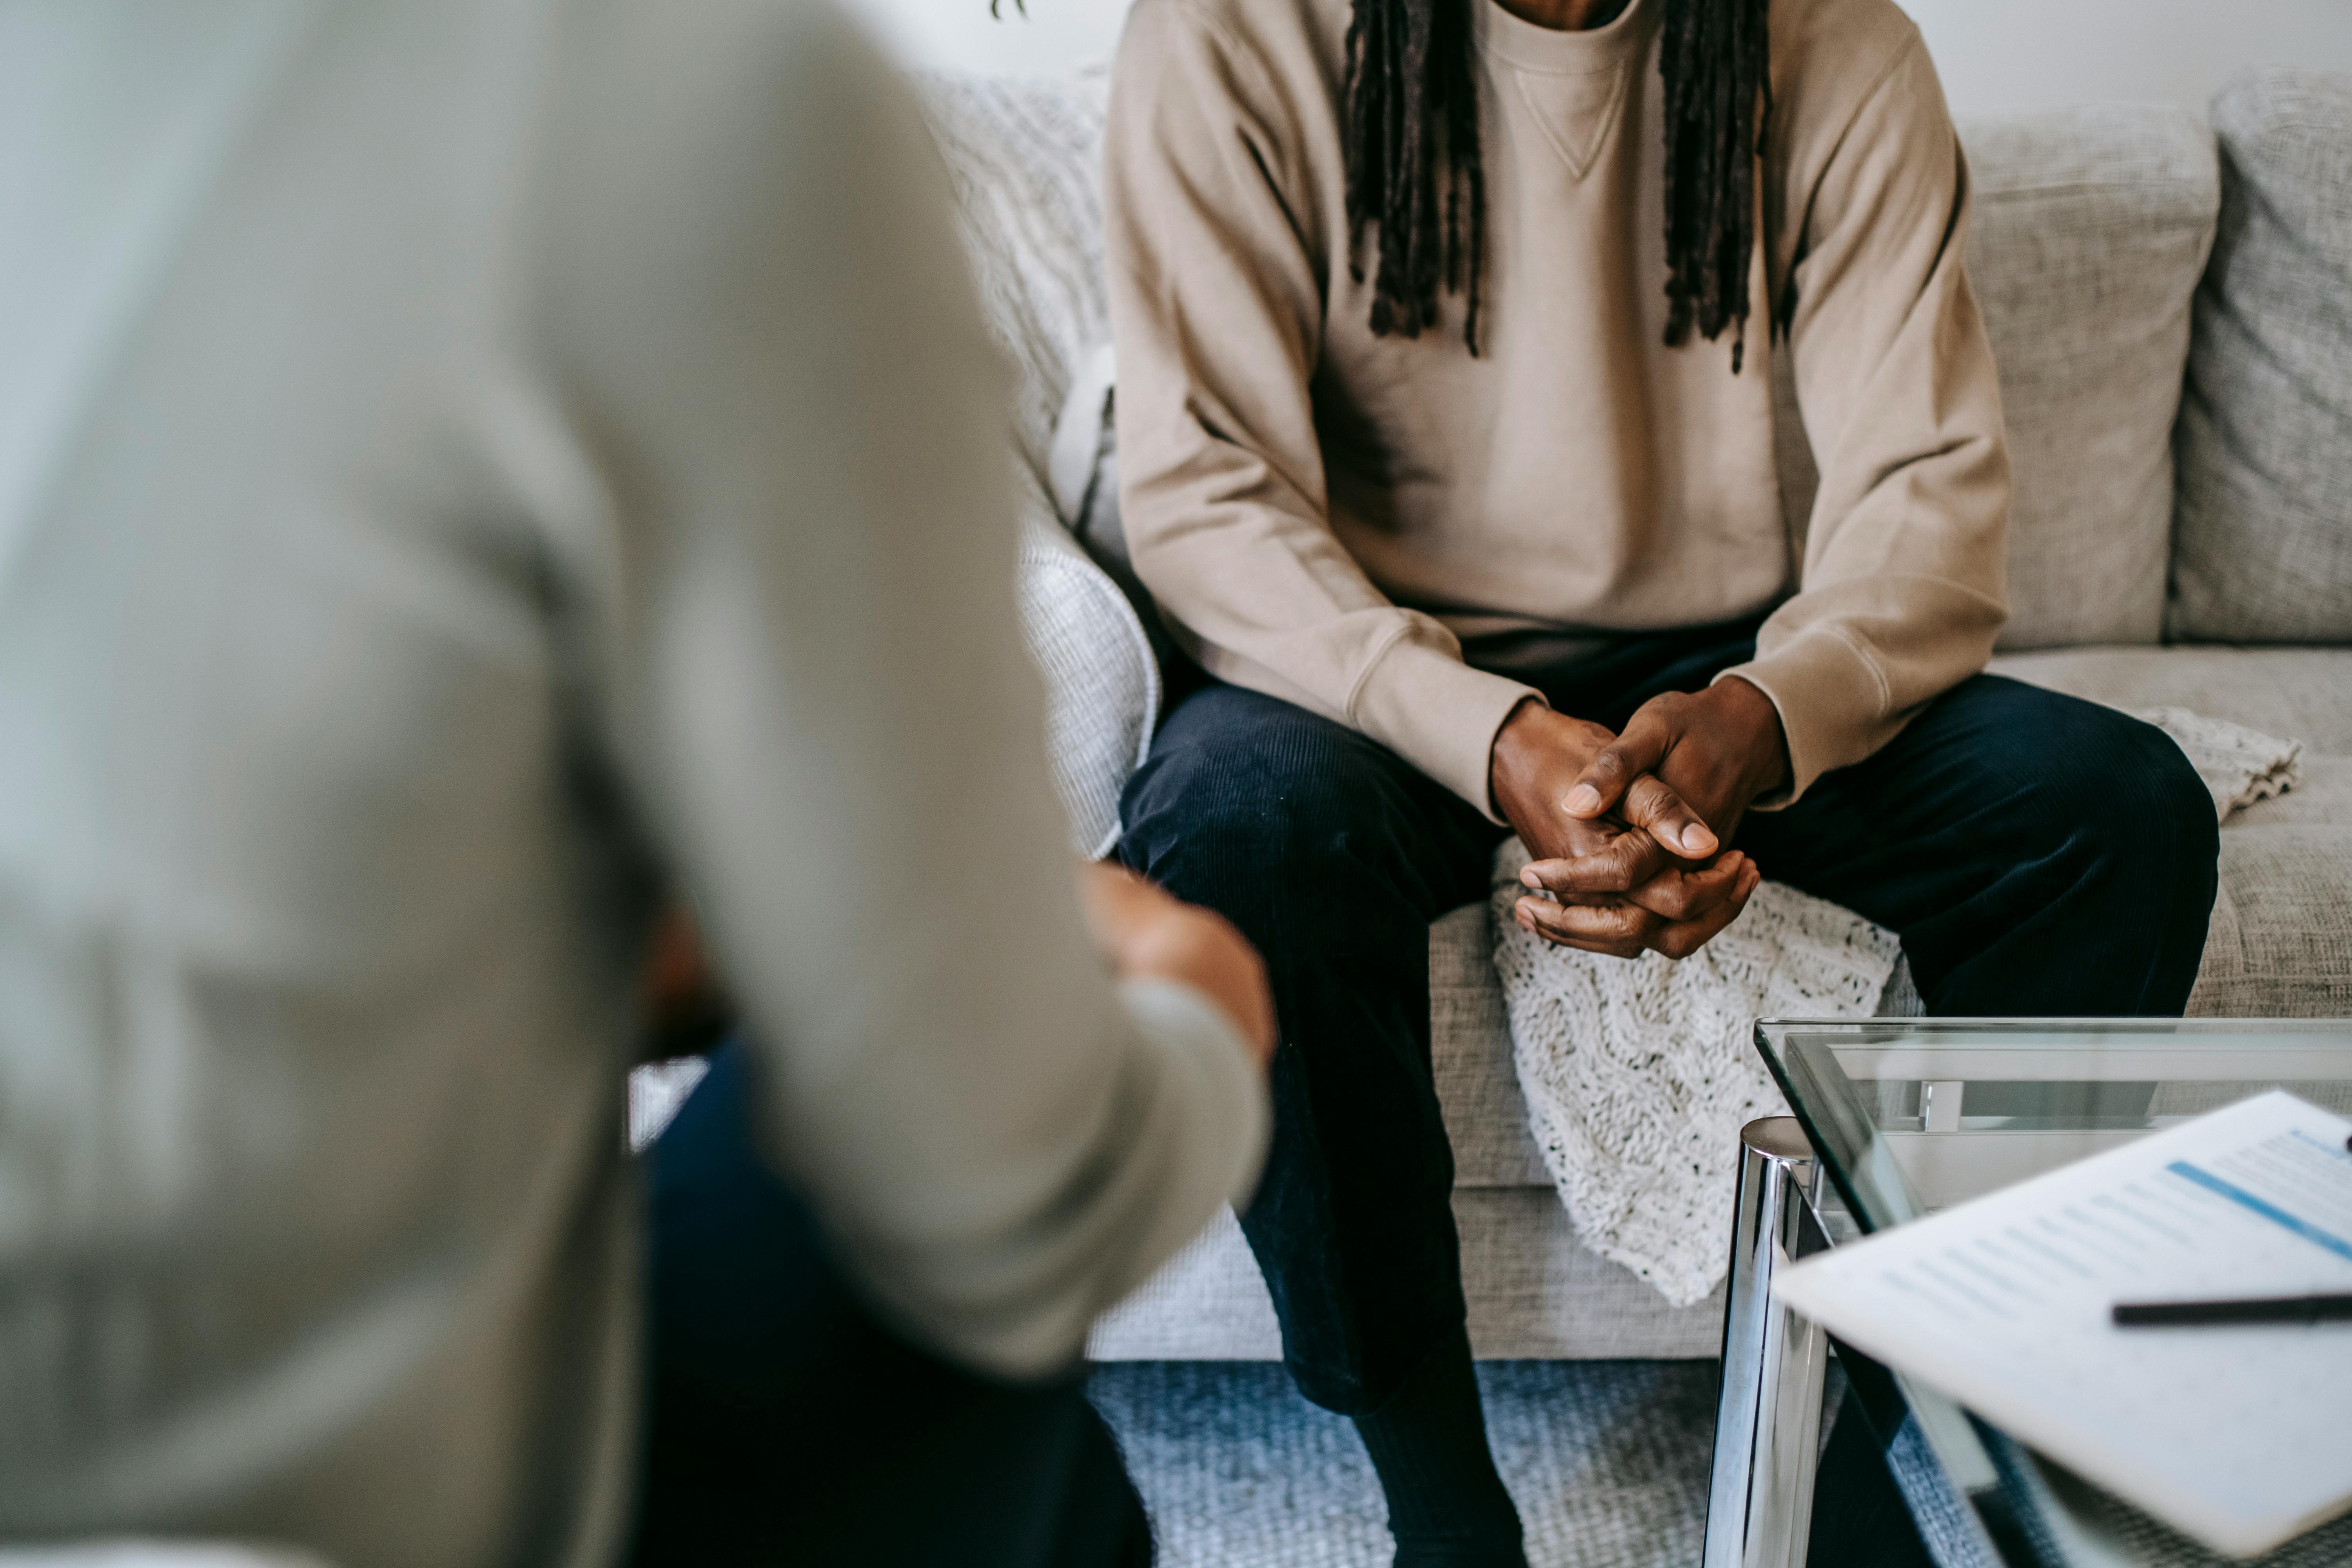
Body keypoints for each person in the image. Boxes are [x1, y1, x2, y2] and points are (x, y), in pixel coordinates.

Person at [0, 3, 1273, 1566]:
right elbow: (1007, 1202)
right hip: (306, 1506)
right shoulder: (687, 102)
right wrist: (1199, 1005)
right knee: (958, 1319)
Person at [1101, 0, 2221, 1560]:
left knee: (2123, 816)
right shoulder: (1234, 33)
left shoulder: (1837, 47)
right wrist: (1488, 735)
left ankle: (1843, 1440)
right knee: (1236, 843)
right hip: (1370, 666)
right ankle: (1441, 1509)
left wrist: (1767, 720)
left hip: (1720, 673)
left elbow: (1928, 495)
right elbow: (1206, 486)